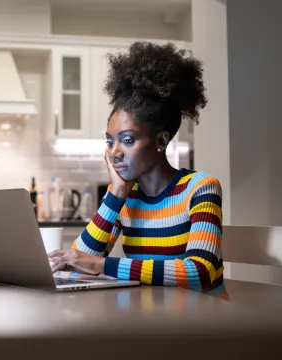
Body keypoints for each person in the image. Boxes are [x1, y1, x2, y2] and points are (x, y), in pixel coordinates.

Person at [48, 41, 227, 299]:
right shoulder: (125, 197)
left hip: (205, 322)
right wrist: (117, 194)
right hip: (152, 319)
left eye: (128, 140)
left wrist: (103, 266)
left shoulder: (200, 188)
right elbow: (79, 264)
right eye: (110, 141)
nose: (115, 152)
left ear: (161, 141)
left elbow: (199, 273)